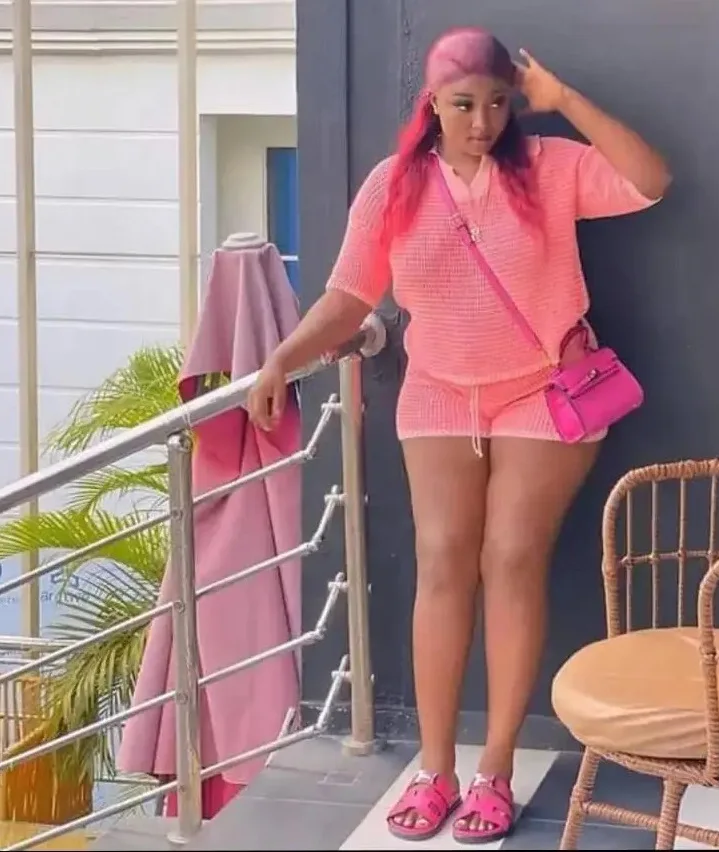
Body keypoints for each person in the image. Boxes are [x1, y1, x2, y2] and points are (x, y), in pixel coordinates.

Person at [247, 26, 670, 844]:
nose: (483, 122)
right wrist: (281, 360)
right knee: (442, 562)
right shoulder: (393, 185)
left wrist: (564, 100)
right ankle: (434, 770)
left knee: (510, 558)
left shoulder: (548, 166)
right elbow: (349, 297)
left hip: (544, 389)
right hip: (439, 391)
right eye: (464, 104)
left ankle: (494, 771)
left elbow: (650, 180)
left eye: (499, 103)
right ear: (433, 103)